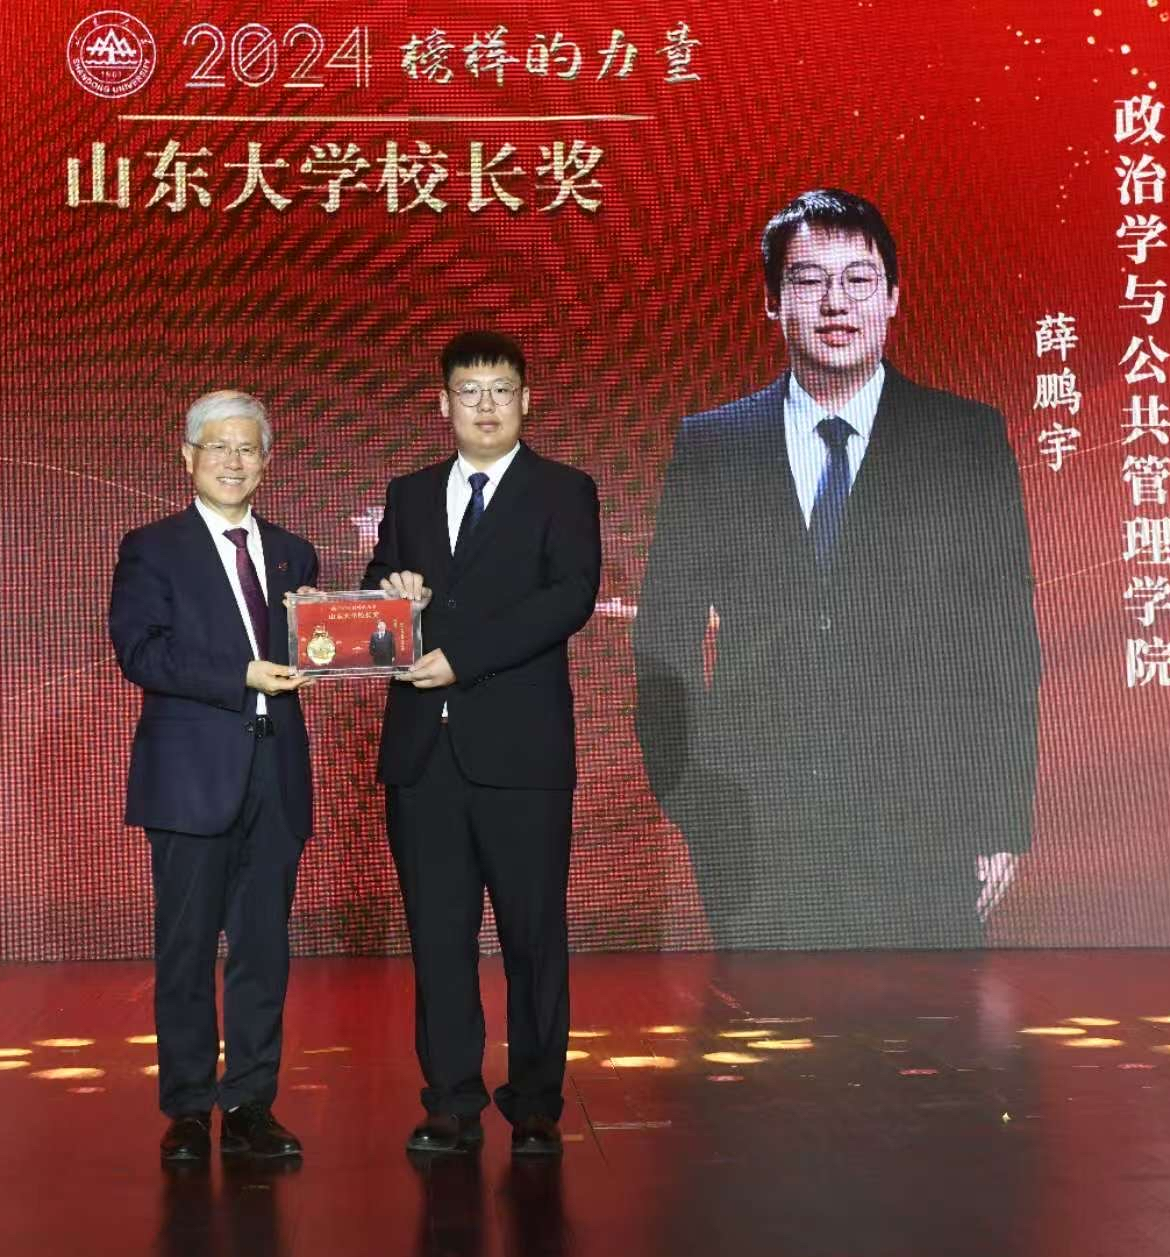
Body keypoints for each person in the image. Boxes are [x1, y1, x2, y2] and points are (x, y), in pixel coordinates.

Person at [631, 189, 1041, 950]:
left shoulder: (964, 439)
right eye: (809, 280)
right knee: (768, 1028)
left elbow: (1003, 639)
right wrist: (689, 792)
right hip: (755, 830)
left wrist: (998, 818)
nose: (835, 303)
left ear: (893, 298)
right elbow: (664, 631)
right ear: (772, 301)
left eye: (858, 280)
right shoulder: (715, 445)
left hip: (927, 824)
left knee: (927, 1026)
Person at [363, 330, 601, 1158]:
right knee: (438, 938)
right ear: (444, 404)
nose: (487, 406)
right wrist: (390, 589)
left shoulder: (564, 490)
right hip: (423, 760)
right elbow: (377, 593)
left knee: (533, 938)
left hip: (522, 757)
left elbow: (569, 597)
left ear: (527, 400)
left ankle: (534, 1103)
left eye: (501, 390)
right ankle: (451, 1101)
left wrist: (462, 658)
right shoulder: (409, 494)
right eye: (470, 391)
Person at [108, 389, 320, 1165]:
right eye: (219, 446)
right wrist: (244, 676)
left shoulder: (295, 553)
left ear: (266, 461)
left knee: (263, 952)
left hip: (276, 774)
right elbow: (142, 652)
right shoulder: (152, 548)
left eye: (248, 448)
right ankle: (190, 1109)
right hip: (190, 779)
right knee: (188, 950)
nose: (234, 461)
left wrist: (335, 631)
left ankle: (252, 1105)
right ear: (189, 457)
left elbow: (314, 650)